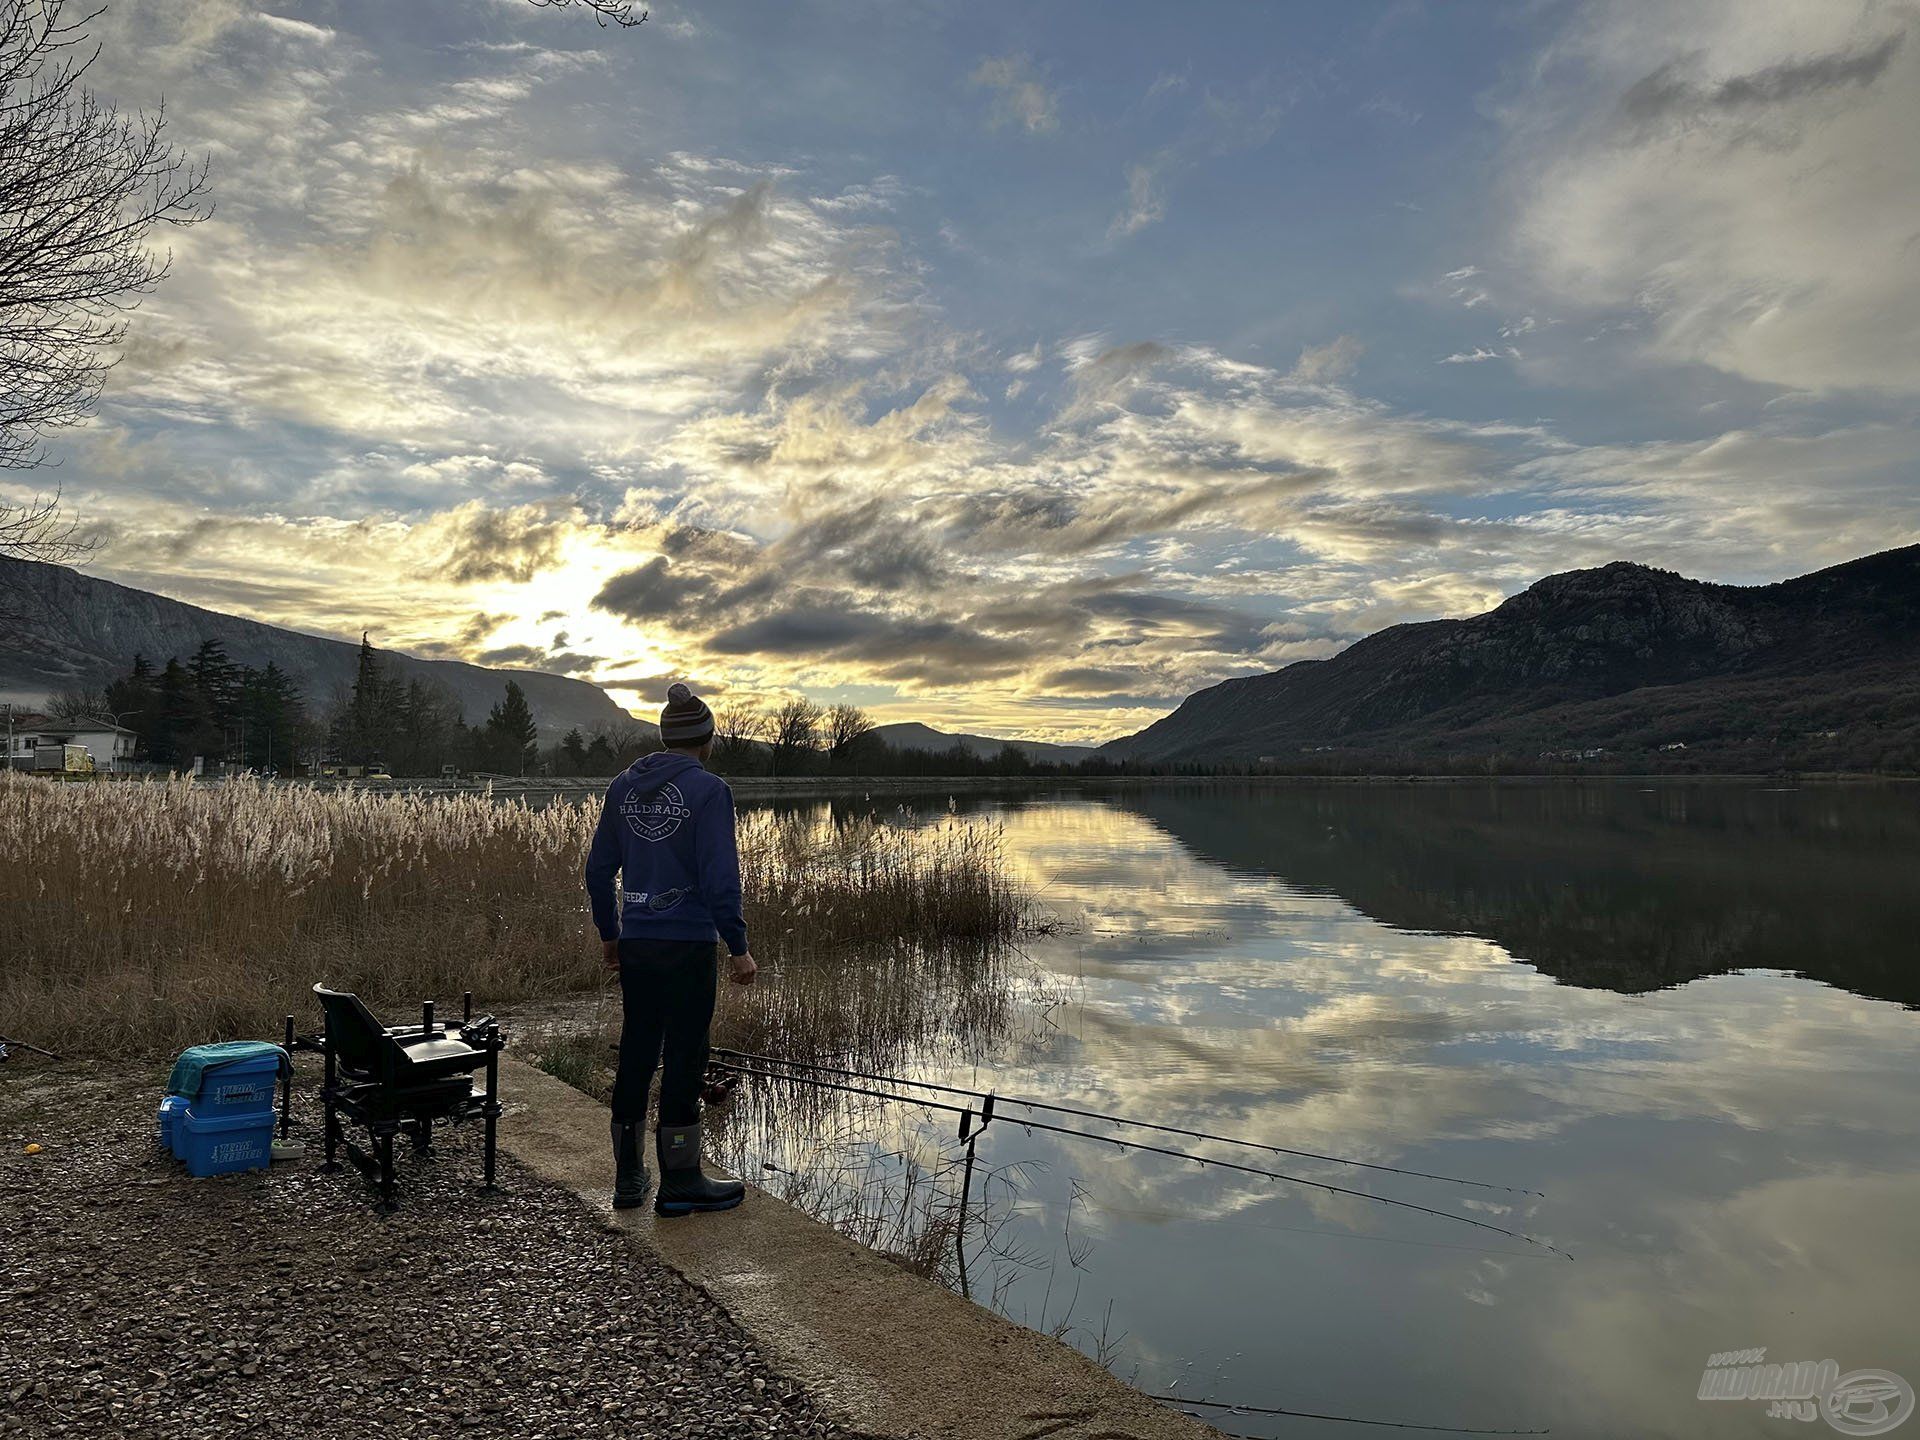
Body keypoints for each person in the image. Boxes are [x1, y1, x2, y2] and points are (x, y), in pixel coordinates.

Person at [584, 682, 757, 1215]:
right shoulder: (709, 791)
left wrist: (611, 936)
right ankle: (680, 1184)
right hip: (687, 948)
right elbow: (719, 880)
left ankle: (628, 1179)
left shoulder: (622, 787)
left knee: (638, 1051)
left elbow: (597, 871)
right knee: (685, 1056)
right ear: (705, 740)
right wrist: (739, 947)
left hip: (637, 944)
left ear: (664, 737)